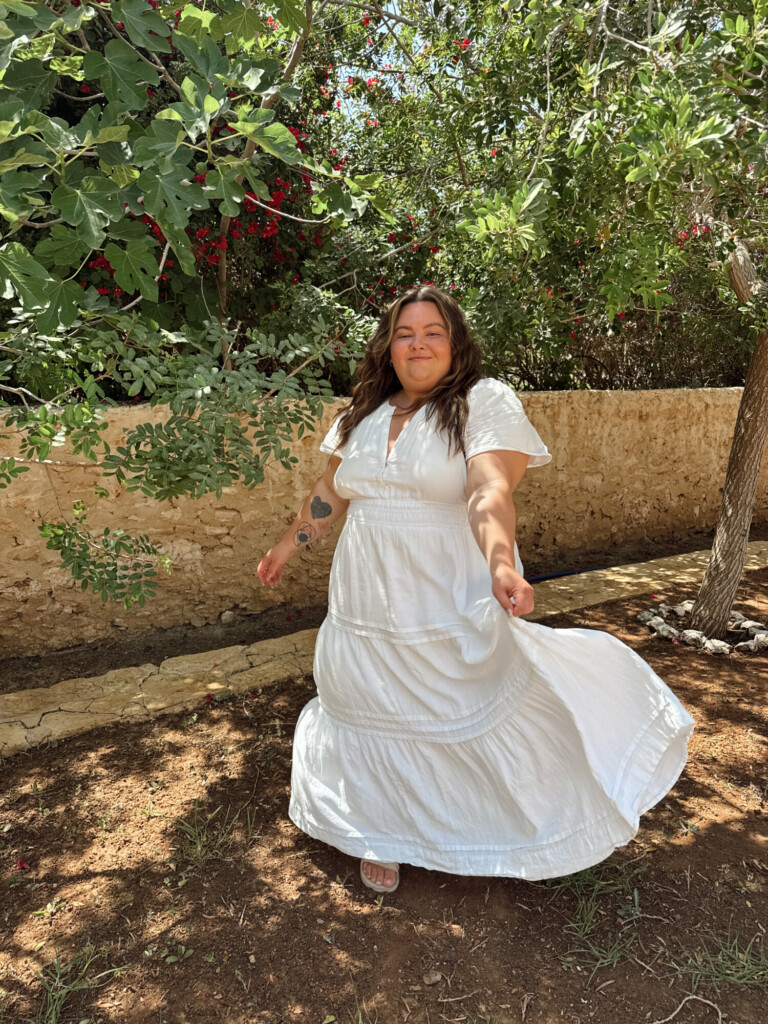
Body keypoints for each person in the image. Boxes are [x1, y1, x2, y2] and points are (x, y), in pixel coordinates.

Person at [257, 285, 695, 895]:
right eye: (405, 333)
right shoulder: (364, 412)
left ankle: (481, 824)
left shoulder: (482, 402)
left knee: (450, 708)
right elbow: (331, 493)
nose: (417, 343)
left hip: (444, 597)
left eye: (432, 331)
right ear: (388, 346)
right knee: (367, 705)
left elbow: (490, 490)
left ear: (456, 342)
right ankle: (377, 831)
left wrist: (501, 565)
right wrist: (290, 542)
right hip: (364, 602)